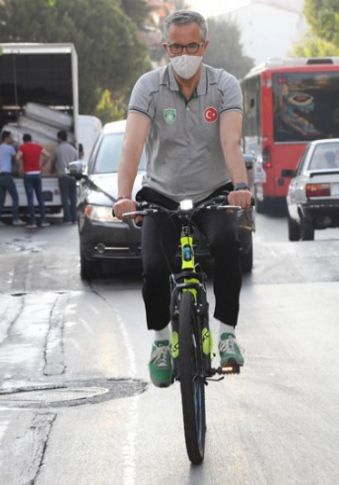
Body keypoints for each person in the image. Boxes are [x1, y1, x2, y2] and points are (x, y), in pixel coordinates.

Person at [112, 10, 252, 388]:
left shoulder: (224, 85)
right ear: (165, 47)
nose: (184, 53)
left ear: (204, 46)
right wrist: (124, 196)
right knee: (154, 266)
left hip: (213, 190)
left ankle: (226, 334)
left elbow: (230, 141)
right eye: (176, 46)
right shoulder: (149, 86)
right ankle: (160, 343)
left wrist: (240, 185)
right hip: (162, 192)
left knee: (227, 243)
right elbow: (132, 144)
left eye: (192, 45)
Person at [17, 133, 51, 227]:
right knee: (40, 198)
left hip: (28, 175)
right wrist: (42, 165)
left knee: (30, 199)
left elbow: (17, 157)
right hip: (37, 174)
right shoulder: (38, 147)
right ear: (31, 140)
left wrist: (21, 166)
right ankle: (43, 220)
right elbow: (48, 155)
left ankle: (33, 222)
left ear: (24, 140)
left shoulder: (22, 147)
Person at [0, 131, 22, 226]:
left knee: (1, 200)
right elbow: (17, 158)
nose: (12, 139)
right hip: (7, 176)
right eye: (10, 137)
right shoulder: (10, 148)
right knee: (15, 198)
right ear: (6, 138)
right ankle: (16, 219)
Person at [55, 130, 79, 224]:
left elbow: (53, 161)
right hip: (72, 177)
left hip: (63, 176)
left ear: (59, 138)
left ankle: (67, 218)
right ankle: (75, 218)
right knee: (73, 198)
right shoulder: (73, 150)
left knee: (65, 198)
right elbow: (77, 163)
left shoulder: (58, 149)